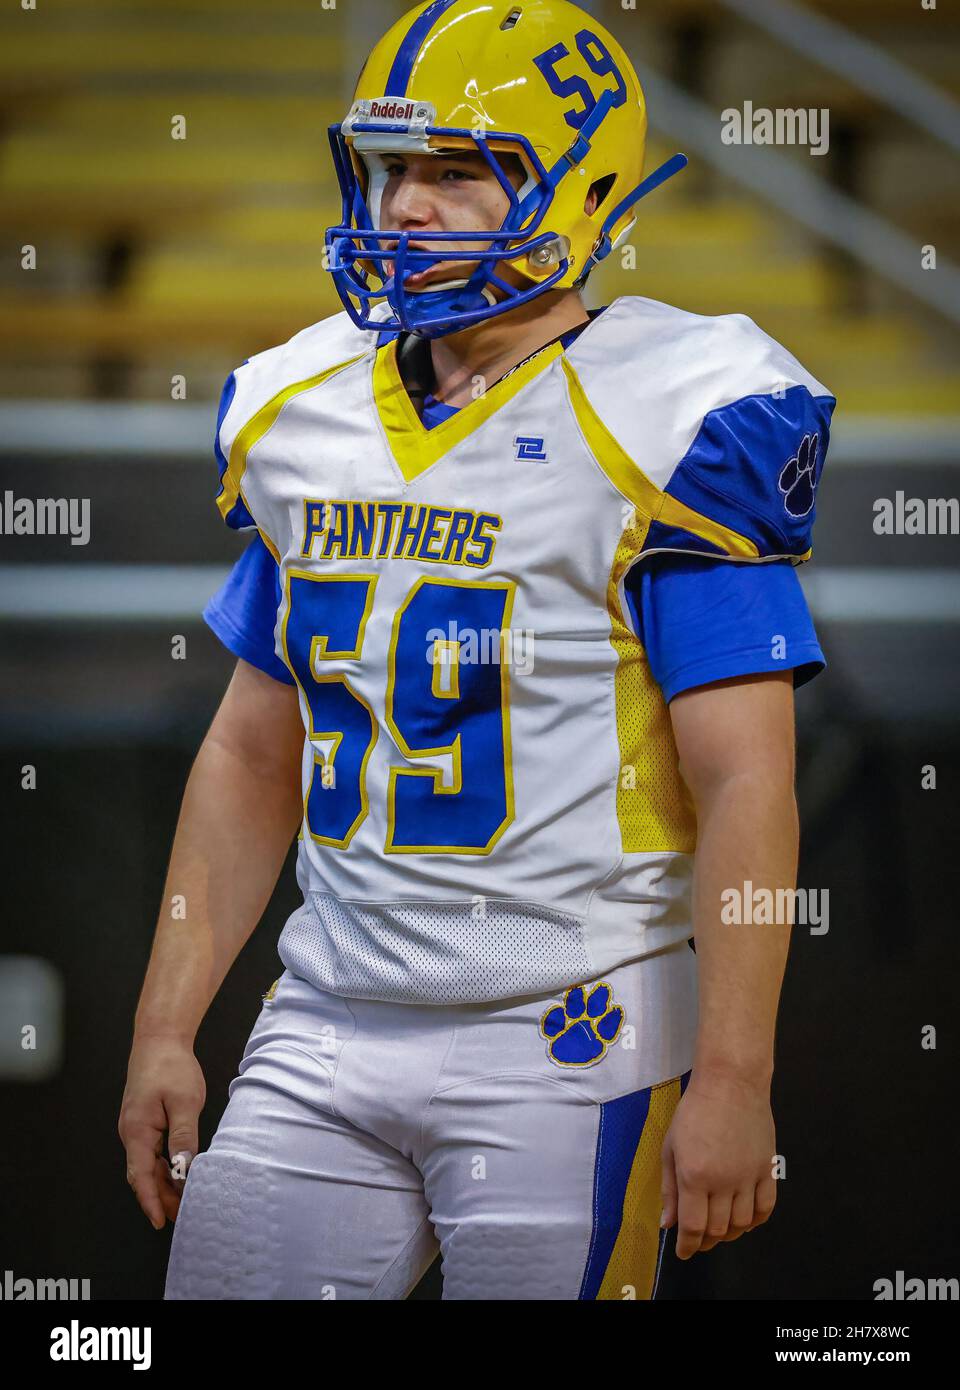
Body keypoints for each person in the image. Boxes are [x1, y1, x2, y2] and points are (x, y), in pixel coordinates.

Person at [120, 0, 835, 1300]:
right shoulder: (306, 406)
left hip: (575, 1024)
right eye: (391, 167)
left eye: (455, 170)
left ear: (585, 185)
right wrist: (168, 1021)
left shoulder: (666, 417)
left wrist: (735, 1070)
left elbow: (749, 779)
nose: (404, 206)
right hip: (328, 1013)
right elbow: (248, 747)